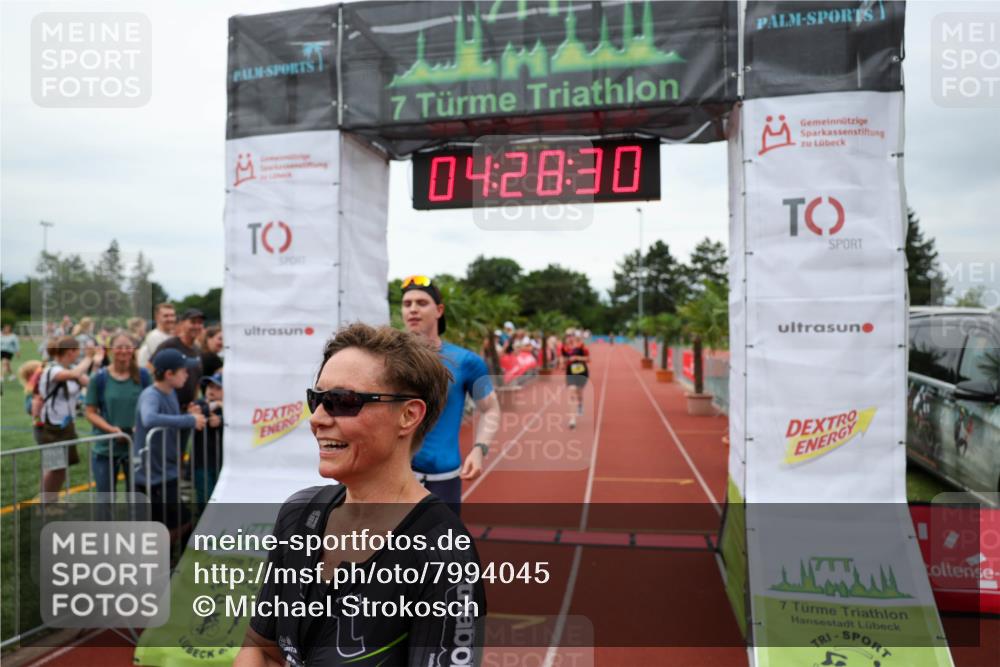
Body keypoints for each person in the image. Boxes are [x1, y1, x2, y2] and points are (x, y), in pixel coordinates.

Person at [235, 323, 486, 667]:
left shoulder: (442, 552)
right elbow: (262, 648)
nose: (317, 419)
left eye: (342, 401)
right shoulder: (298, 514)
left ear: (408, 416)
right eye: (317, 399)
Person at [400, 275, 500, 515]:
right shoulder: (387, 359)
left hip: (441, 481)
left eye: (421, 303)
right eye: (407, 304)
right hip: (392, 479)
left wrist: (479, 449)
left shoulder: (467, 362)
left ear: (439, 310)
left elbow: (490, 409)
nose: (413, 309)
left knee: (441, 551)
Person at [133, 348, 206, 536]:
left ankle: (165, 559)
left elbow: (169, 419)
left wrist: (188, 416)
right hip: (153, 474)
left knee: (180, 522)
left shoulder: (171, 392)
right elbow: (149, 418)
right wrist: (189, 420)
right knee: (176, 524)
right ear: (168, 374)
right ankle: (156, 560)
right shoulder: (151, 394)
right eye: (183, 371)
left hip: (167, 469)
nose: (187, 375)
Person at [85, 333, 151, 496]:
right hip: (106, 449)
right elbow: (90, 412)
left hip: (136, 447)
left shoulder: (143, 375)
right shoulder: (99, 378)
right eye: (119, 347)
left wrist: (139, 426)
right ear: (110, 350)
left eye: (127, 346)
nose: (124, 351)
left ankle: (135, 523)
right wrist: (111, 430)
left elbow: (150, 405)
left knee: (137, 496)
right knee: (105, 499)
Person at [37, 336, 102, 497]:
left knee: (61, 468)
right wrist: (88, 357)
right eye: (77, 351)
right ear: (70, 352)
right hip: (52, 425)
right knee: (54, 468)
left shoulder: (72, 368)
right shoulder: (52, 369)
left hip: (65, 425)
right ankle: (45, 503)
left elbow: (91, 383)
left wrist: (96, 364)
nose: (79, 355)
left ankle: (50, 501)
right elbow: (73, 374)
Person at [153, 308, 204, 412]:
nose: (197, 326)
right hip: (169, 409)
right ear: (182, 324)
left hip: (188, 410)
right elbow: (152, 369)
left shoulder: (197, 349)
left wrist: (194, 403)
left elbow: (197, 380)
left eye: (200, 323)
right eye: (193, 322)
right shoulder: (170, 344)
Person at [191, 373, 224, 508]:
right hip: (201, 462)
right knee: (205, 499)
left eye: (218, 388)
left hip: (223, 463)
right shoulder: (199, 403)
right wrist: (216, 404)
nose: (212, 390)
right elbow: (195, 410)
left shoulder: (230, 409)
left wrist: (221, 421)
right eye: (210, 386)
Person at [561, 333, 591, 430]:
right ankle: (572, 419)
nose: (569, 338)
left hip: (582, 372)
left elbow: (588, 359)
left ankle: (580, 404)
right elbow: (563, 358)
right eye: (568, 336)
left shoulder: (582, 347)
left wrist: (577, 358)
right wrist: (562, 363)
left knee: (579, 393)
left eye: (571, 336)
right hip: (570, 373)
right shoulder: (564, 348)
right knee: (572, 392)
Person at [137, 303, 176, 369]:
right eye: (166, 316)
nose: (170, 319)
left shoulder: (171, 336)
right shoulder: (155, 336)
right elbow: (163, 363)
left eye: (172, 315)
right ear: (157, 318)